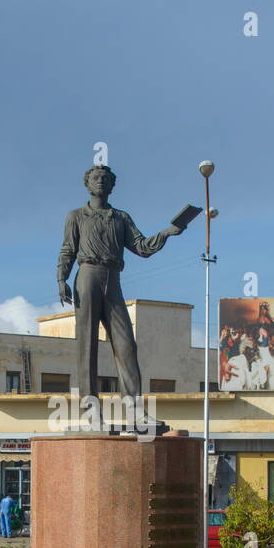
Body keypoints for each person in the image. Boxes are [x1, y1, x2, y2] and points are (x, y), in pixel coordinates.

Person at [56, 165, 186, 398]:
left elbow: (142, 247)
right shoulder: (76, 216)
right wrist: (61, 278)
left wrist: (168, 232)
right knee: (87, 342)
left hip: (113, 279)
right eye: (96, 178)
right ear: (87, 185)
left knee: (126, 344)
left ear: (113, 186)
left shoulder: (121, 218)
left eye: (106, 179)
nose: (101, 181)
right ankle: (89, 404)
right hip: (87, 275)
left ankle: (134, 406)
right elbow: (68, 249)